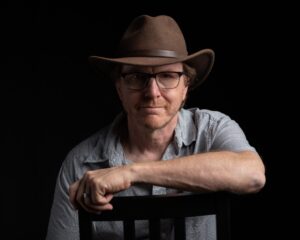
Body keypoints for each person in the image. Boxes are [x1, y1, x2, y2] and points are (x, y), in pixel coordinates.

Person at [46, 15, 266, 240]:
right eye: (136, 77)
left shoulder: (211, 131)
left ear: (185, 88)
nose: (152, 92)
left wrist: (132, 172)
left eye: (168, 76)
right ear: (119, 88)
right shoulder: (79, 164)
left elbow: (253, 175)